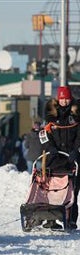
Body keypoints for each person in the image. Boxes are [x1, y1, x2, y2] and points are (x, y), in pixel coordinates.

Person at [40, 86, 80, 229]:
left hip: (72, 157)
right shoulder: (51, 116)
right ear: (58, 99)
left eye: (67, 98)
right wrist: (50, 148)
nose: (64, 101)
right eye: (62, 98)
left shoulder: (76, 114)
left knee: (73, 189)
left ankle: (71, 219)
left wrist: (76, 150)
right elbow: (43, 135)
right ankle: (50, 219)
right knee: (52, 188)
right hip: (55, 157)